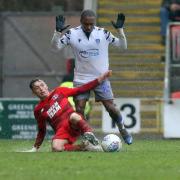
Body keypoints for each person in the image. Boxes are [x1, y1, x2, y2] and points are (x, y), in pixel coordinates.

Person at [51, 9, 133, 145]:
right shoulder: (72, 34)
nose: (88, 27)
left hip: (101, 78)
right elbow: (55, 47)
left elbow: (123, 46)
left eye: (91, 24)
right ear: (81, 22)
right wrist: (57, 32)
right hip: (81, 79)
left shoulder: (103, 33)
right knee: (80, 109)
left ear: (94, 22)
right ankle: (86, 137)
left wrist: (120, 30)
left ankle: (122, 129)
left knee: (111, 108)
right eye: (86, 24)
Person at [25, 70, 111, 152]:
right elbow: (41, 130)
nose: (41, 88)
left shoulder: (59, 91)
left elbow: (82, 89)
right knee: (56, 148)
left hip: (74, 122)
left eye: (42, 85)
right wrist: (35, 148)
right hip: (62, 130)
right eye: (37, 88)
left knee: (74, 116)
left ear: (46, 85)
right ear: (33, 92)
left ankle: (89, 134)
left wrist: (100, 79)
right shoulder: (38, 110)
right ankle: (85, 147)